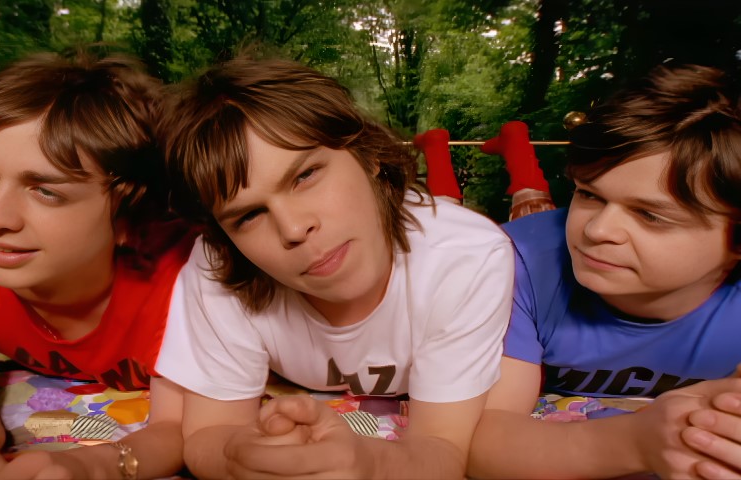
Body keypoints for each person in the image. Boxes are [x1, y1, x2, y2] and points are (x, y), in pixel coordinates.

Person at [155, 56, 514, 479]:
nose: (294, 228)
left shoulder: (465, 256)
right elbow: (209, 432)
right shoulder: (219, 265)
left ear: (369, 155)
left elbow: (443, 449)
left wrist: (367, 463)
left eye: (305, 175)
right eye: (249, 216)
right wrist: (243, 459)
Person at [467, 63, 741, 479]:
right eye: (589, 195)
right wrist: (637, 442)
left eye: (650, 215)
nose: (597, 230)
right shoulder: (515, 261)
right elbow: (477, 441)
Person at [0, 47, 198, 479]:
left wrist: (89, 465)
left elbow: (177, 431)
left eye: (46, 191)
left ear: (130, 215)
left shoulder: (185, 280)